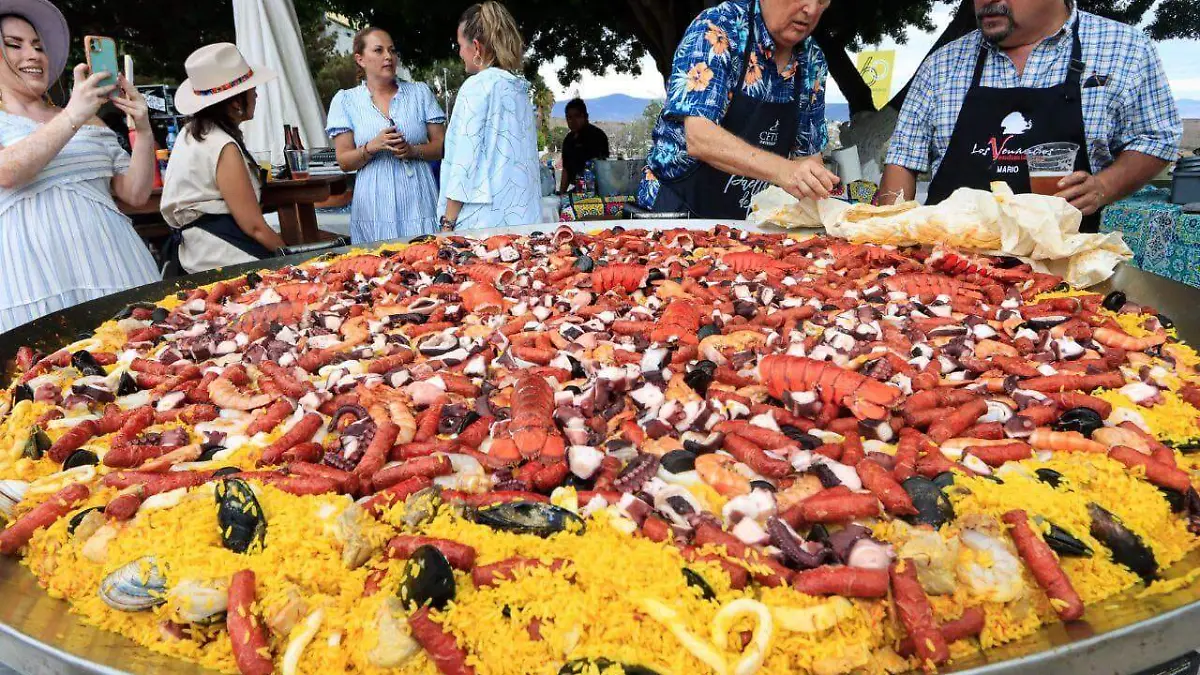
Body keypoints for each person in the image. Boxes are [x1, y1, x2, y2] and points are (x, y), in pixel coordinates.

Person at [880, 0, 1182, 232]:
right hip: (951, 269)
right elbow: (903, 162)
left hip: (1064, 272)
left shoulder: (1126, 48)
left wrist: (1104, 186)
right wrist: (885, 233)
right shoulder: (942, 65)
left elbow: (1157, 138)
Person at [0, 0, 159, 333]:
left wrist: (143, 130)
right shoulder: (77, 113)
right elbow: (8, 171)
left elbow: (136, 194)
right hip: (34, 283)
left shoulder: (89, 119)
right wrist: (74, 113)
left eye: (39, 46)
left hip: (116, 266)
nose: (33, 55)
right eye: (14, 45)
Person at [637, 0, 839, 219]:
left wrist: (821, 202)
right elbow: (699, 137)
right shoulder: (718, 28)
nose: (810, 9)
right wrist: (784, 171)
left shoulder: (812, 59)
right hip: (675, 214)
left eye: (821, 1)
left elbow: (807, 157)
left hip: (748, 224)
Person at [160, 43, 285, 274]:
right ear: (236, 102)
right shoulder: (223, 146)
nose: (256, 94)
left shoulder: (189, 133)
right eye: (251, 89)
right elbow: (254, 226)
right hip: (223, 254)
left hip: (196, 253)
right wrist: (292, 260)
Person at [327, 27, 446, 242]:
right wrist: (371, 147)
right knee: (377, 268)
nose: (388, 57)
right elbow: (344, 161)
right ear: (360, 59)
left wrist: (412, 150)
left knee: (425, 261)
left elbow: (442, 147)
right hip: (373, 203)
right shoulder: (346, 101)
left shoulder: (419, 93)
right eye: (378, 51)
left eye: (391, 51)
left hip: (418, 198)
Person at [439, 1, 540, 231]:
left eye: (460, 45)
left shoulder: (475, 88)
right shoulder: (520, 89)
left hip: (483, 223)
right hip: (523, 217)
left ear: (476, 48)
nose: (459, 52)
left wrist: (448, 222)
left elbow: (465, 162)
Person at [560, 97, 609, 193]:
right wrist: (561, 194)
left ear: (585, 116)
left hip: (597, 191)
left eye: (577, 116)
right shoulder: (568, 140)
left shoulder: (597, 136)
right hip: (577, 190)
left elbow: (602, 168)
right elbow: (566, 170)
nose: (573, 121)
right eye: (569, 117)